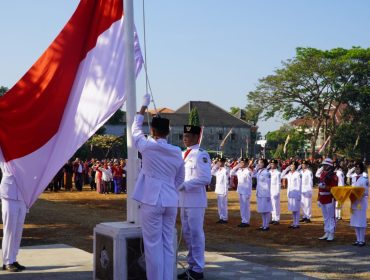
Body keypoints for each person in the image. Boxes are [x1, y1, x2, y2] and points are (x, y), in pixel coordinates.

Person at [131, 94, 185, 280]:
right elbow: (180, 179)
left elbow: (135, 130)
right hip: (171, 200)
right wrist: (170, 189)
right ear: (168, 132)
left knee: (153, 245)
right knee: (167, 244)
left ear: (152, 130)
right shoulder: (177, 152)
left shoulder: (147, 146)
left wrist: (143, 107)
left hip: (152, 200)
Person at [178, 125, 212, 280]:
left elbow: (206, 178)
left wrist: (186, 185)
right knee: (187, 234)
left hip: (196, 201)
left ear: (196, 137)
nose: (185, 138)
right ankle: (191, 267)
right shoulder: (182, 153)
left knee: (196, 234)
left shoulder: (201, 154)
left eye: (189, 136)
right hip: (183, 200)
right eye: (184, 136)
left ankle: (198, 270)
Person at [0, 163, 27, 272]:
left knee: (18, 231)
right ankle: (7, 261)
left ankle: (13, 259)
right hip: (9, 194)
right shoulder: (4, 151)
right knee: (10, 230)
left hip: (23, 194)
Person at [315, 158, 338, 241]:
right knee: (325, 217)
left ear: (329, 166)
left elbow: (335, 188)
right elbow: (319, 188)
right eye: (323, 165)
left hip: (330, 198)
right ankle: (327, 231)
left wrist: (325, 187)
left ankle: (331, 233)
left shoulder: (334, 176)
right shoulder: (322, 174)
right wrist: (318, 198)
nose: (324, 166)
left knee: (331, 216)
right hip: (323, 198)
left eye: (325, 165)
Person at [347, 161, 368, 246]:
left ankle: (362, 240)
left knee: (361, 221)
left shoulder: (364, 179)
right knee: (355, 221)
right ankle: (357, 239)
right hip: (354, 202)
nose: (356, 169)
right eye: (355, 168)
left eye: (358, 168)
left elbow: (366, 192)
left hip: (361, 202)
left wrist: (359, 194)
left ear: (361, 169)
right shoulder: (353, 178)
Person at [230, 158, 253, 227]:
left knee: (246, 207)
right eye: (240, 162)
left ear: (246, 163)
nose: (241, 164)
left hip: (246, 191)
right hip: (240, 190)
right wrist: (236, 166)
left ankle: (246, 221)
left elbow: (250, 182)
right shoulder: (239, 170)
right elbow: (231, 173)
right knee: (242, 206)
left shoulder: (248, 171)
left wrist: (248, 192)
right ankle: (243, 220)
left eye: (242, 163)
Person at [282, 161, 302, 229]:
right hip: (290, 193)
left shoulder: (298, 174)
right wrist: (286, 169)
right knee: (293, 209)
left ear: (295, 167)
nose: (291, 167)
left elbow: (299, 185)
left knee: (297, 209)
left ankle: (297, 224)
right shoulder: (289, 174)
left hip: (296, 193)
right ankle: (294, 223)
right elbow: (282, 176)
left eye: (292, 166)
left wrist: (299, 194)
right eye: (290, 166)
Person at [254, 158, 272, 231]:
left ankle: (266, 225)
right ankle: (263, 224)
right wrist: (256, 168)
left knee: (266, 210)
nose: (259, 164)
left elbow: (268, 184)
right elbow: (252, 175)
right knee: (262, 209)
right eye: (258, 163)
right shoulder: (259, 171)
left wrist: (268, 195)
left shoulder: (267, 173)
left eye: (260, 163)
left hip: (265, 193)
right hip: (259, 193)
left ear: (264, 164)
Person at [211, 157, 230, 224]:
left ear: (223, 162)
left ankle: (224, 218)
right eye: (218, 162)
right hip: (218, 189)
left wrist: (225, 190)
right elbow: (212, 172)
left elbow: (226, 181)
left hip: (223, 189)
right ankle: (221, 217)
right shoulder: (218, 170)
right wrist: (215, 166)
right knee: (219, 205)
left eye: (219, 162)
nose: (218, 163)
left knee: (223, 205)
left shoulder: (225, 170)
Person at [269, 159, 281, 225]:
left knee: (276, 205)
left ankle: (277, 219)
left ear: (276, 165)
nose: (271, 165)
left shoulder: (278, 173)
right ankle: (273, 218)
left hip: (275, 190)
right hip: (269, 190)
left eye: (273, 164)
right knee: (271, 205)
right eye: (271, 164)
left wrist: (277, 192)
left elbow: (278, 183)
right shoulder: (269, 172)